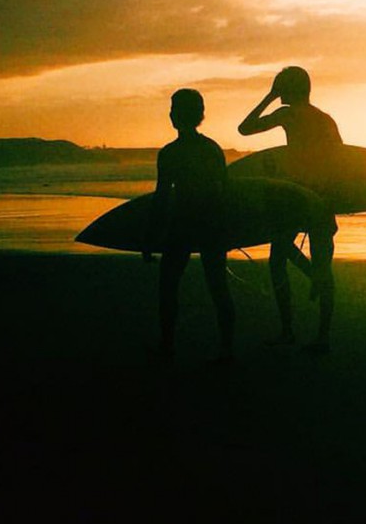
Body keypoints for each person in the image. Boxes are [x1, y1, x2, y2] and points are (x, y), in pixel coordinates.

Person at [238, 65, 340, 352]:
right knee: (323, 266)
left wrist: (269, 97)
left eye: (280, 86)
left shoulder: (288, 114)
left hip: (295, 196)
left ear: (287, 89)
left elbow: (245, 128)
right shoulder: (325, 119)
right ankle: (323, 337)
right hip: (322, 197)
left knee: (278, 259)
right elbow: (339, 161)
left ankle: (287, 330)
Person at [145, 88, 235, 361]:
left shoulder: (170, 153)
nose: (171, 113)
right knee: (218, 286)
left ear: (181, 115)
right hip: (211, 224)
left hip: (183, 224)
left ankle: (168, 345)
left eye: (174, 109)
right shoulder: (211, 149)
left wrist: (149, 238)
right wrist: (229, 230)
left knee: (169, 287)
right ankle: (226, 350)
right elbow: (226, 193)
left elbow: (162, 198)